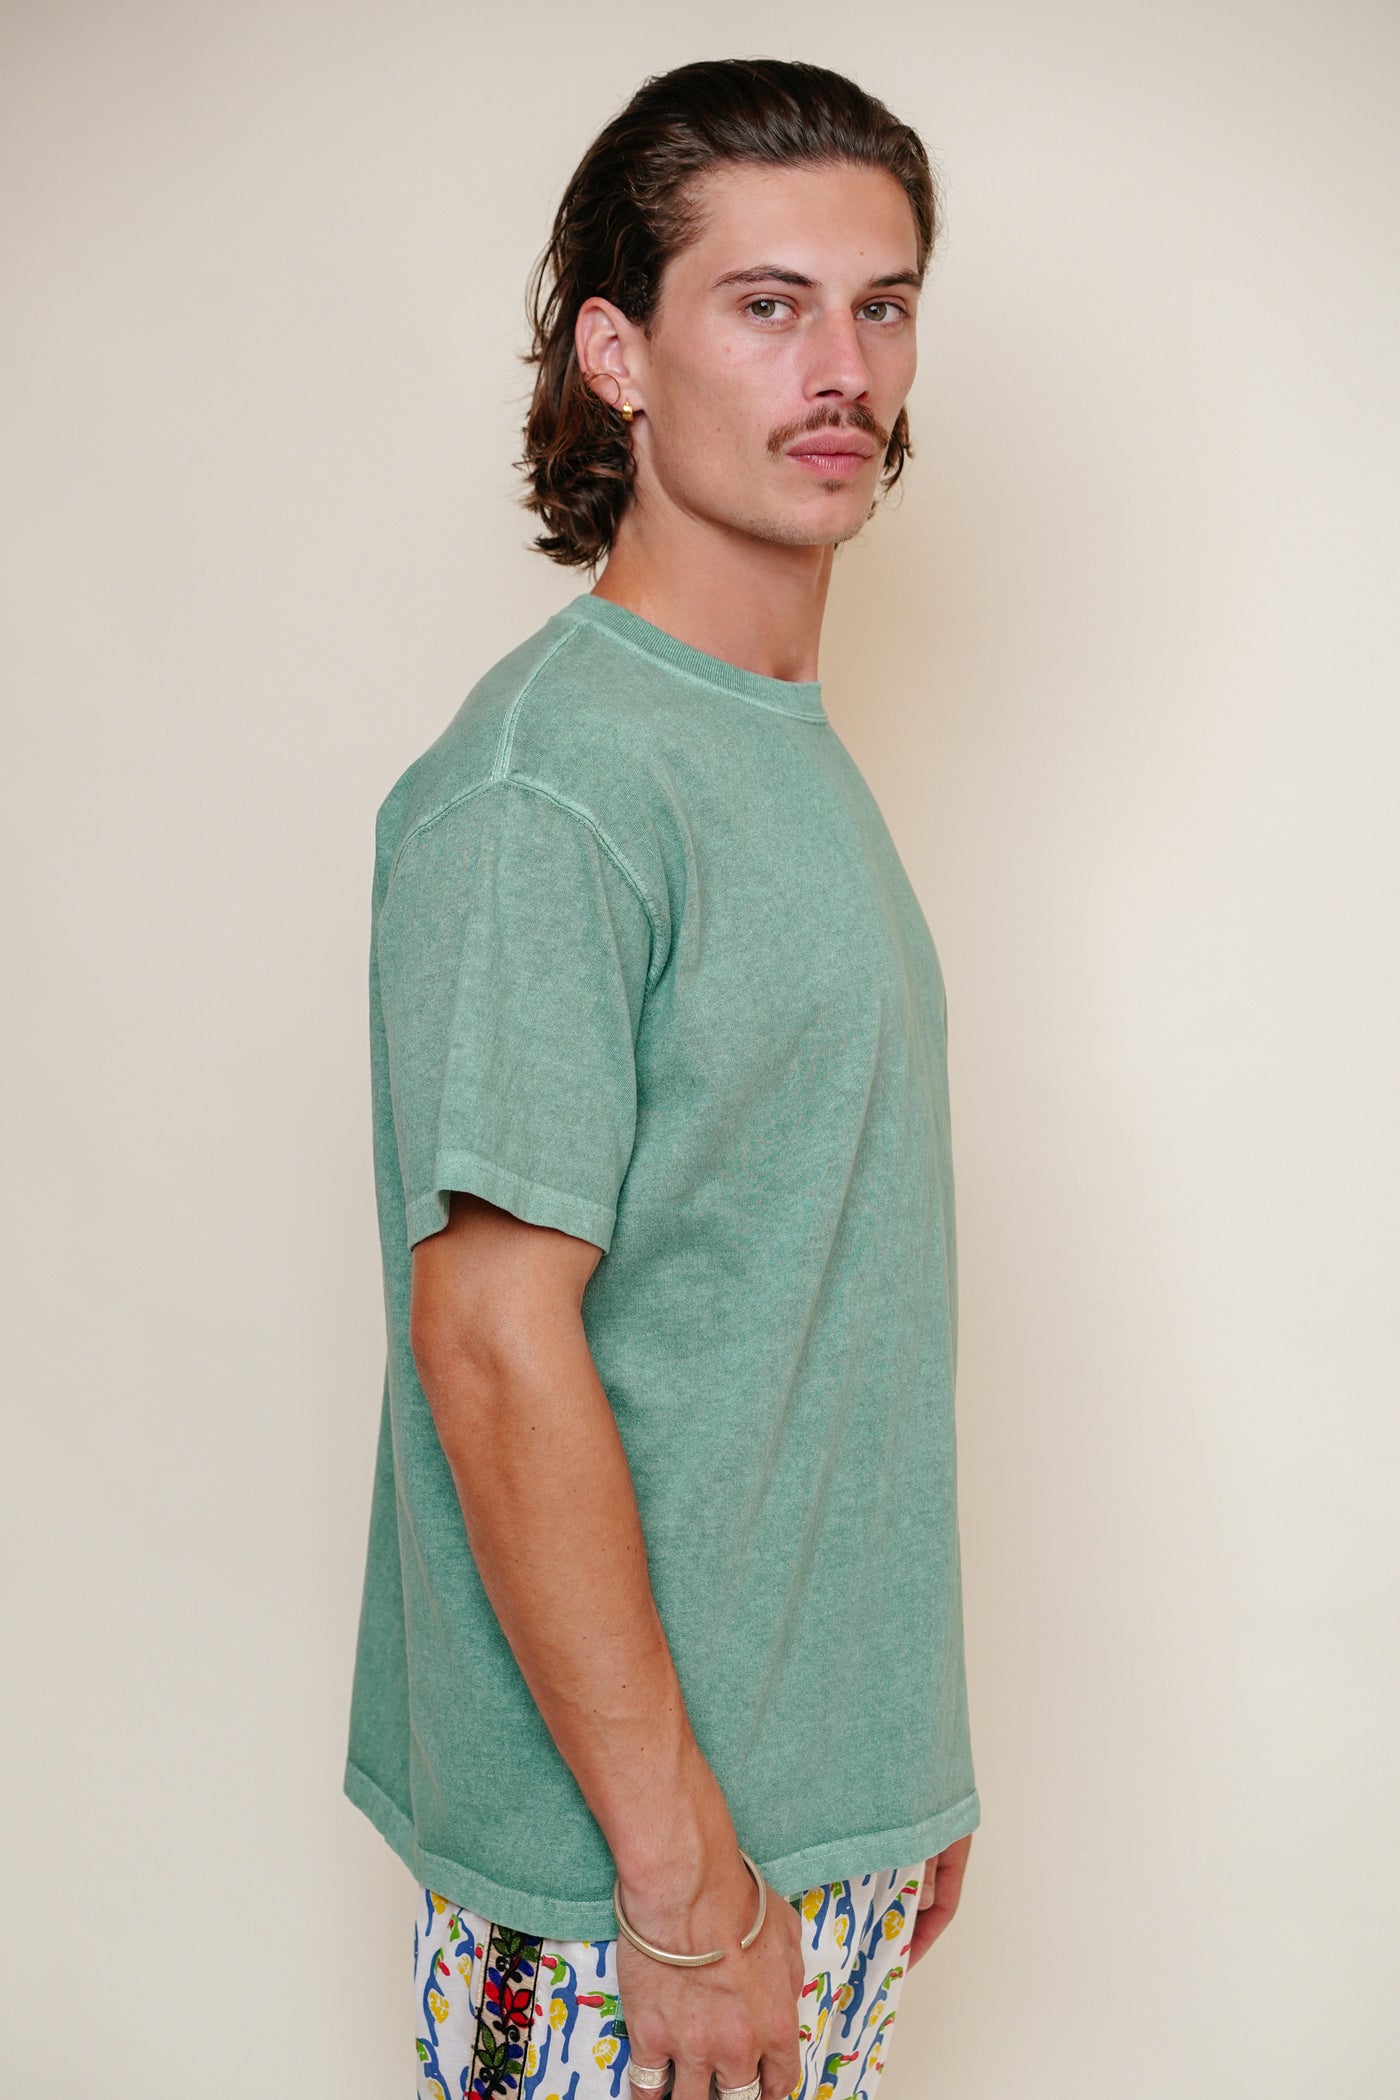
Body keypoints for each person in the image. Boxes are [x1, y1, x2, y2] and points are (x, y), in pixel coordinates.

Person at [344, 55, 980, 2100]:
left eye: (880, 305)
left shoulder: (767, 739)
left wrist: (887, 1760)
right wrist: (687, 1879)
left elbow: (794, 1284)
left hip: (806, 1827)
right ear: (615, 355)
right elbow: (491, 1339)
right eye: (765, 304)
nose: (841, 368)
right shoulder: (552, 787)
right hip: (639, 1885)